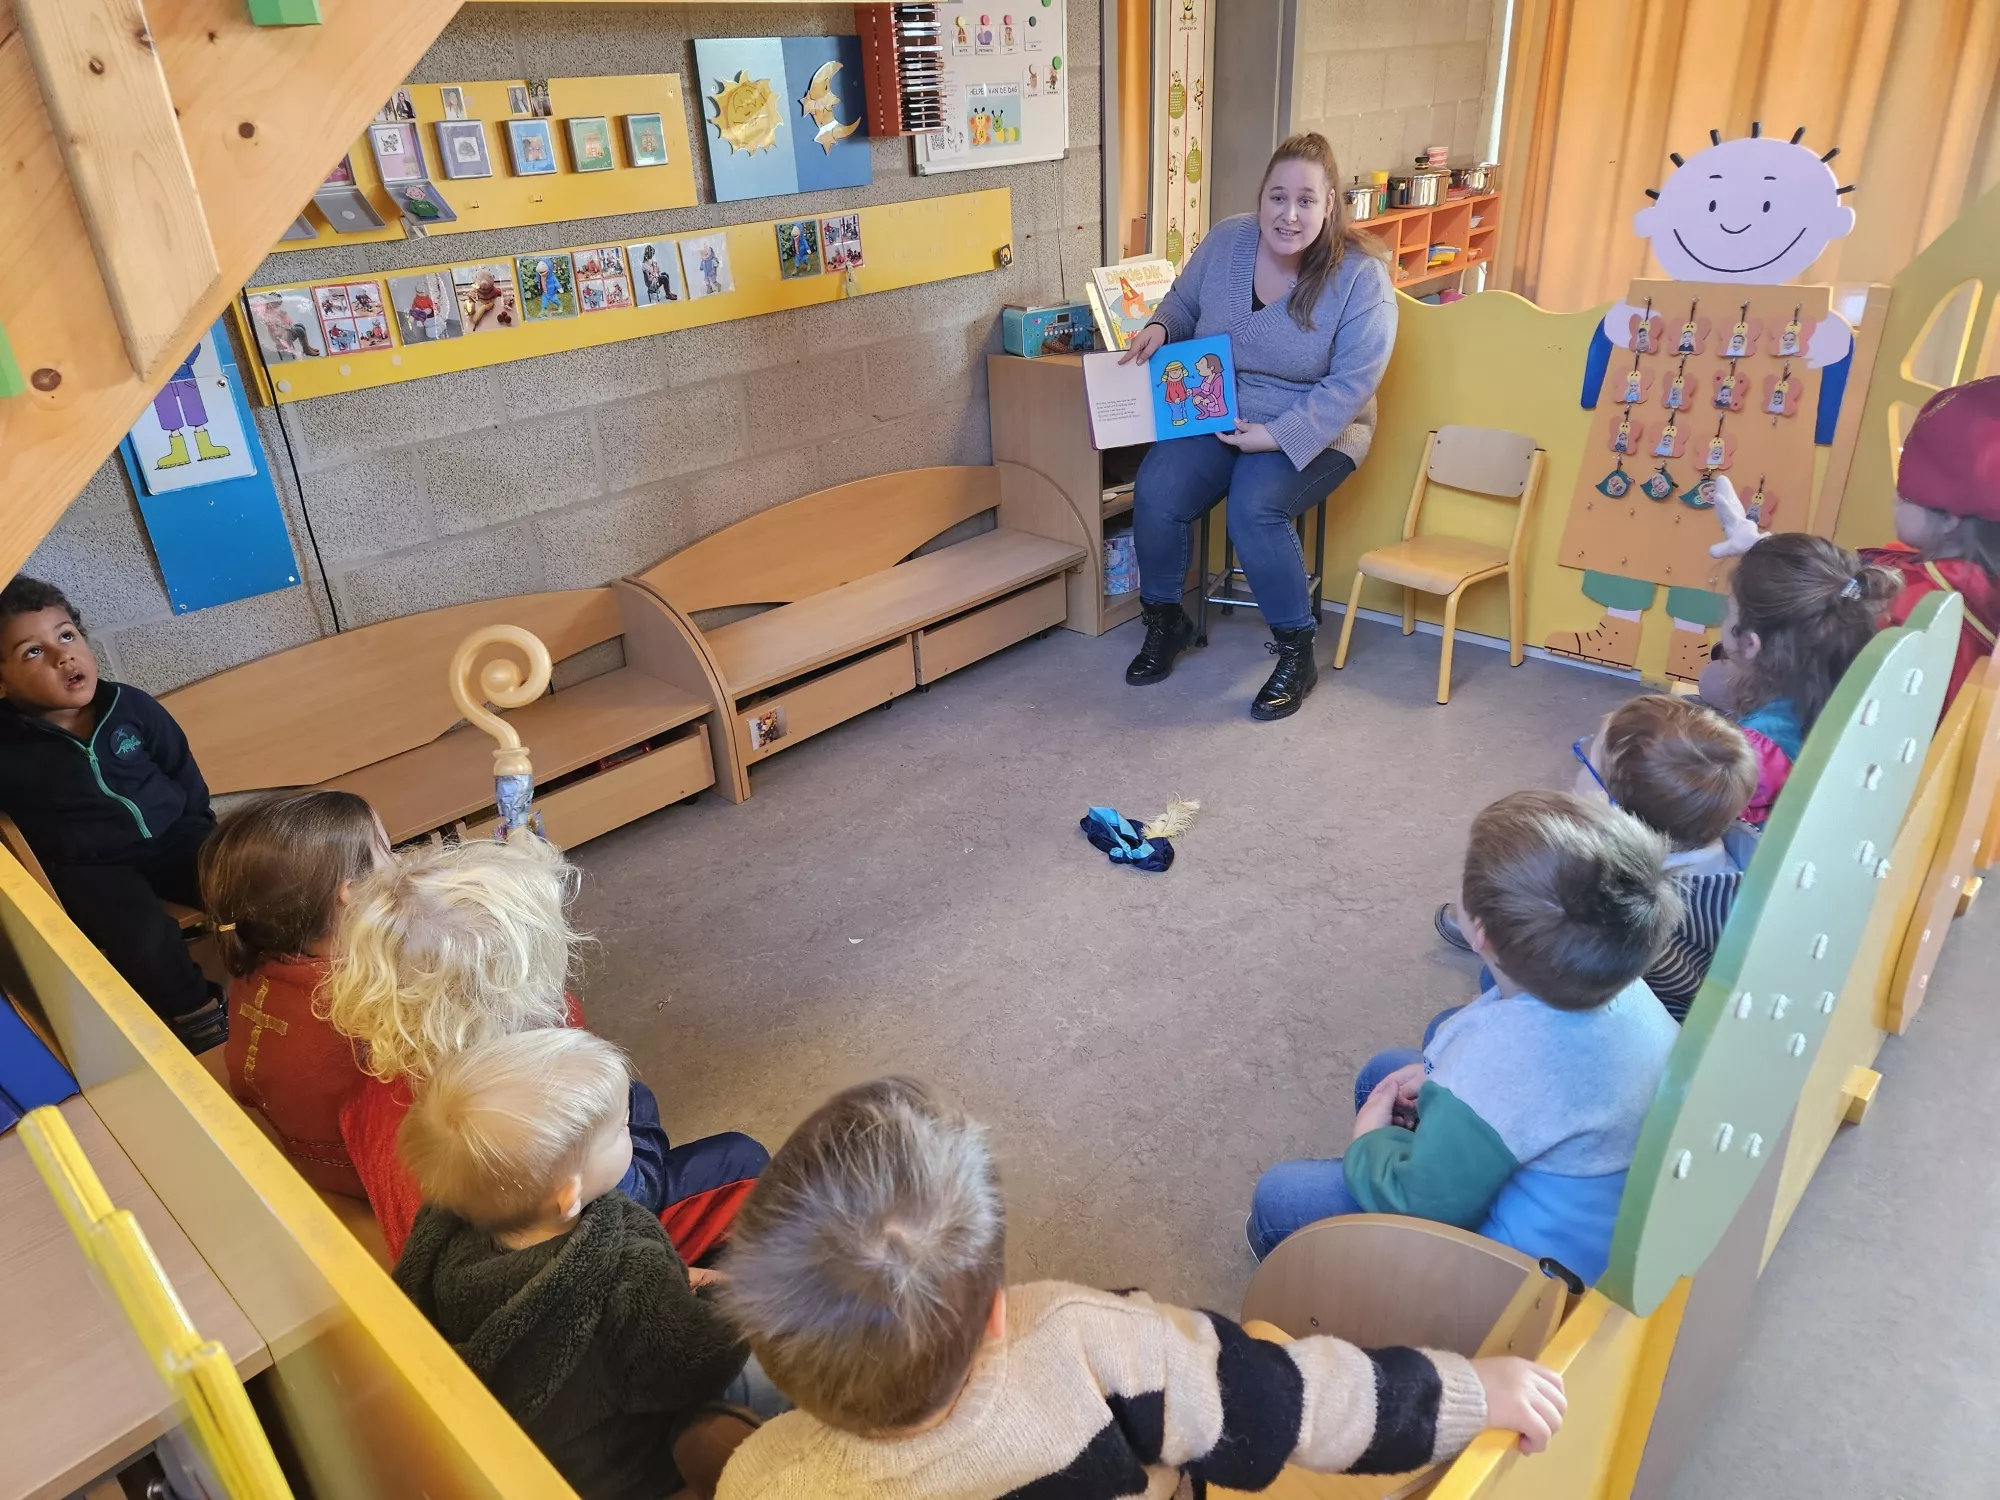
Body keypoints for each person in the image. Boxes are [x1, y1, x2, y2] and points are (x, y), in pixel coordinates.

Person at [715, 1077, 1565, 1499]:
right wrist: (1471, 1391)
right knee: (1252, 1357)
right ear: (999, 1314)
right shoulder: (1093, 1340)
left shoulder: (761, 1477)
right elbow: (1301, 1401)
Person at [1250, 792, 1680, 1285]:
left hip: (1517, 1282)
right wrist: (1441, 1078)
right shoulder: (1614, 979)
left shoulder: (1501, 1063)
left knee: (1279, 1199)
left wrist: (1369, 1142)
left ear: (1480, 935)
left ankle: (1321, 1286)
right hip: (1595, 1217)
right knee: (1384, 1073)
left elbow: (1421, 1202)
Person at [322, 835, 768, 1261]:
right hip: (577, 1255)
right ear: (511, 991)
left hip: (447, 1264)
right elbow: (625, 1194)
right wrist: (632, 1109)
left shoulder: (367, 1092)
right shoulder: (532, 1109)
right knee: (739, 1159)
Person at [395, 1028, 771, 1500]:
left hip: (544, 1450)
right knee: (776, 1359)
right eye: (621, 1130)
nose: (629, 1127)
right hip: (628, 1470)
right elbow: (701, 1362)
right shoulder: (626, 1272)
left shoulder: (444, 1230)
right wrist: (721, 1296)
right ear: (569, 1194)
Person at [1121, 132, 1397, 720]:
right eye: (1278, 197)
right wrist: (1161, 329)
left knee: (1254, 506)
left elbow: (1351, 386)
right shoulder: (1228, 239)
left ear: (1329, 205)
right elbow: (1182, 303)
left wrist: (1274, 436)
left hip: (1318, 425)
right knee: (1157, 488)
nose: (1289, 214)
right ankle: (1165, 621)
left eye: (1306, 200)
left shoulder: (1361, 278)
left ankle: (1297, 652)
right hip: (1219, 408)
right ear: (1261, 197)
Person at [0, 576, 226, 1051]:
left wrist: (198, 826)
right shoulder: (8, 744)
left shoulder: (129, 705)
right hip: (90, 867)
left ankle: (279, 966)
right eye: (33, 652)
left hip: (174, 836)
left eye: (66, 635)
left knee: (241, 876)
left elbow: (179, 765)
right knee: (141, 935)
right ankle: (195, 1012)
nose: (62, 656)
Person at [1435, 695, 1758, 1022]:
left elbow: (1569, 963)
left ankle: (1495, 931)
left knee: (1468, 999)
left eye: (1586, 758)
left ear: (1609, 808)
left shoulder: (1624, 910)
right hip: (1676, 999)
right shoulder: (1741, 855)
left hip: (1609, 1008)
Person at [1713, 378, 2000, 710]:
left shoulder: (1918, 601)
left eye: (1905, 495)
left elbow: (1811, 654)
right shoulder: (1955, 582)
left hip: (1822, 723)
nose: (1894, 499)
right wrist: (1764, 549)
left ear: (1950, 518)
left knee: (1713, 683)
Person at [201, 790, 391, 1196]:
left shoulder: (258, 963)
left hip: (304, 1151)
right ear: (350, 892)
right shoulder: (367, 997)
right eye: (388, 853)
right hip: (371, 1173)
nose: (399, 866)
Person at [1697, 531, 1898, 824]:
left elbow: (1705, 818)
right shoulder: (1836, 692)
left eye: (1729, 613)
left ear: (1751, 643)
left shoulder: (1759, 749)